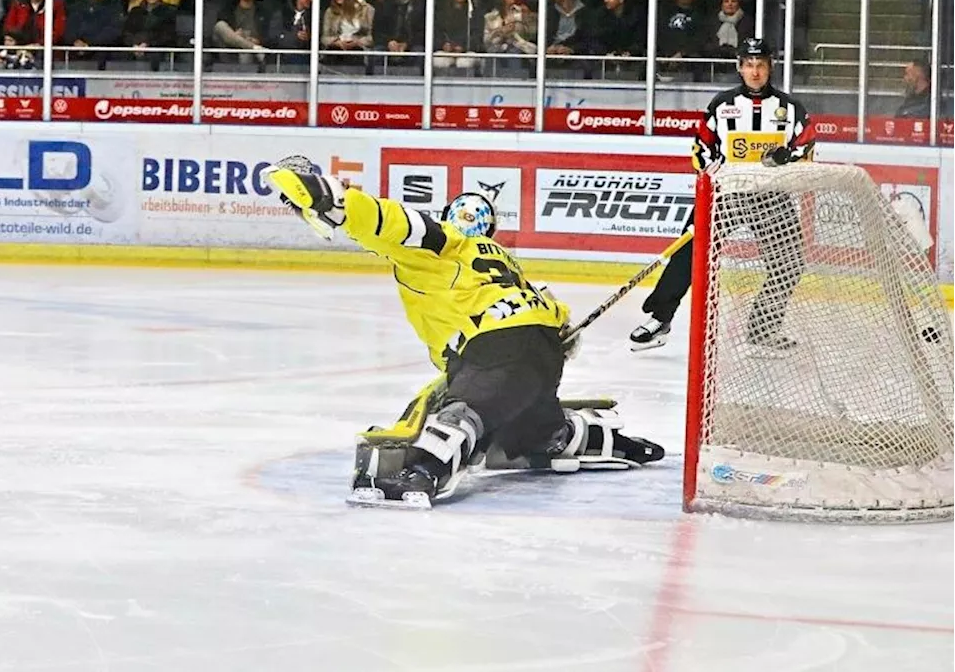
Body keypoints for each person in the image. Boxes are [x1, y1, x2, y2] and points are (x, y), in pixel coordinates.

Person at [264, 158, 663, 507]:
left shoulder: (442, 242)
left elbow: (393, 223)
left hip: (496, 346)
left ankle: (425, 470)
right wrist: (561, 325)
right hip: (541, 348)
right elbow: (549, 309)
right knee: (531, 423)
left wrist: (337, 203)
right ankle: (583, 437)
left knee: (466, 409)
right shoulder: (499, 255)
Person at [629, 38, 814, 351]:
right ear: (740, 67)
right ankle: (660, 318)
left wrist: (787, 158)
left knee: (790, 262)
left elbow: (807, 151)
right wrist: (711, 177)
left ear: (770, 67)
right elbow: (701, 148)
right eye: (749, 65)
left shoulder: (791, 109)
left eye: (761, 65)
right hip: (726, 194)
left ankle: (763, 329)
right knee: (687, 253)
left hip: (771, 198)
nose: (755, 72)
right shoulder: (721, 104)